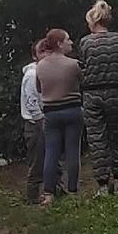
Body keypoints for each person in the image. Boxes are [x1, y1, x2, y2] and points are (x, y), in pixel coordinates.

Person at [77, 0, 118, 196]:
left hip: (92, 94)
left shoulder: (85, 42)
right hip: (116, 91)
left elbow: (83, 66)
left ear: (92, 21)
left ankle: (101, 185)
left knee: (97, 138)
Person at [35, 28, 83, 205]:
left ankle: (48, 193)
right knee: (72, 151)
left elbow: (39, 88)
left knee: (51, 152)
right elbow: (81, 81)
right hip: (72, 110)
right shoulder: (73, 64)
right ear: (59, 43)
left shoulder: (41, 66)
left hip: (51, 112)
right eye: (68, 40)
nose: (71, 43)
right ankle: (72, 190)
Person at [20, 41, 47, 203]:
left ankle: (57, 190)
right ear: (34, 56)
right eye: (41, 51)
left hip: (47, 120)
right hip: (35, 124)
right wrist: (41, 121)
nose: (45, 55)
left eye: (48, 51)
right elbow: (31, 102)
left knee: (54, 159)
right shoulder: (31, 75)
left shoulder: (48, 72)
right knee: (36, 161)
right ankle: (32, 197)